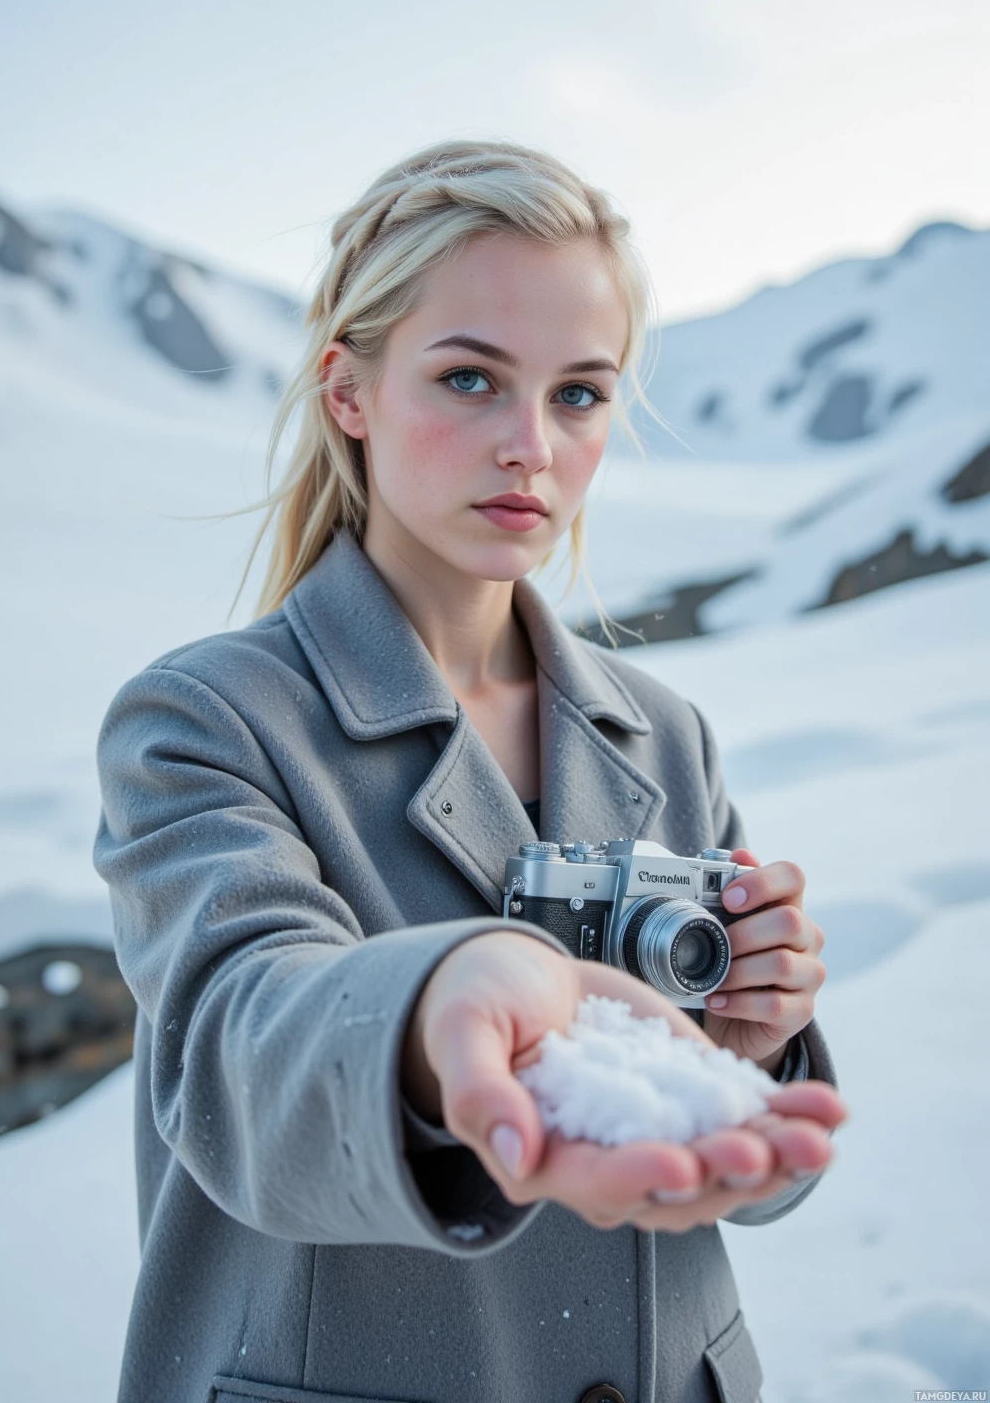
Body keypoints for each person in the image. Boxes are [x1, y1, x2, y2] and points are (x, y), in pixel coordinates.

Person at [93, 141, 847, 1403]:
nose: (531, 449)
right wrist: (439, 1014)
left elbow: (758, 1170)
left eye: (578, 395)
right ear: (347, 392)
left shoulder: (666, 734)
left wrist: (755, 1044)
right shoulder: (203, 719)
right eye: (468, 379)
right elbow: (236, 1046)